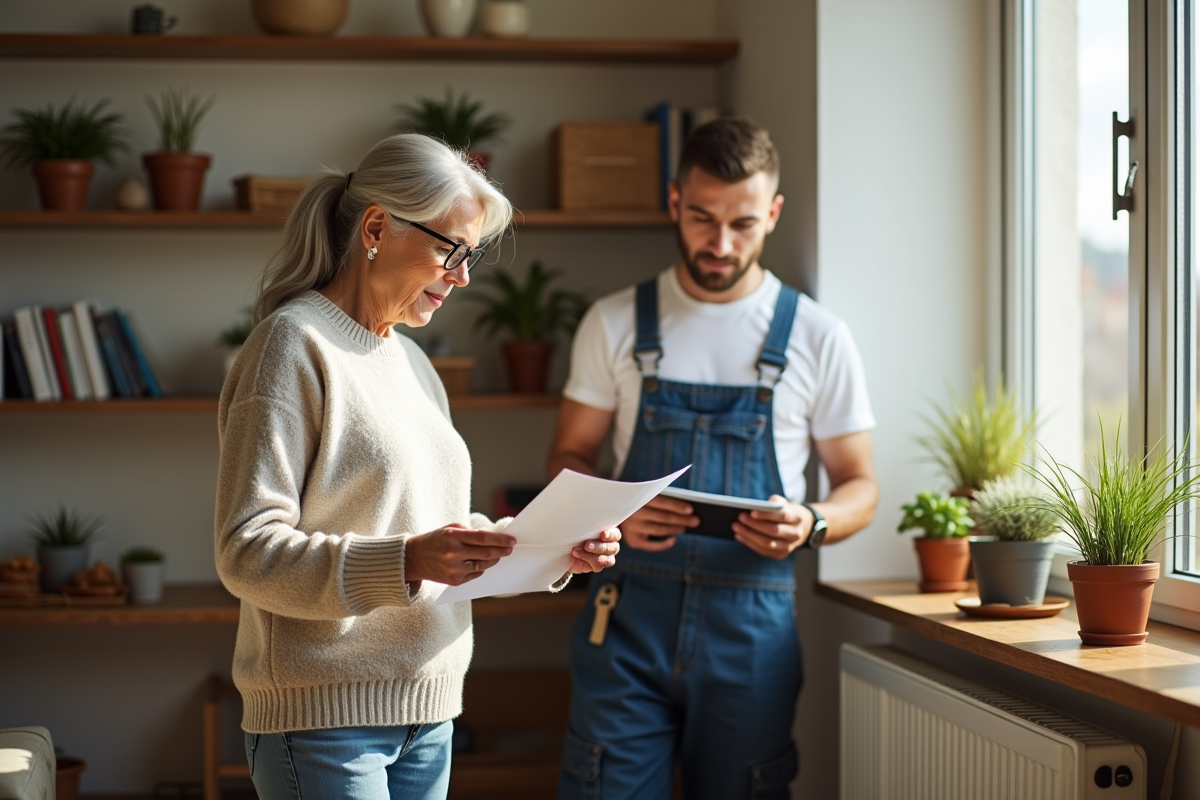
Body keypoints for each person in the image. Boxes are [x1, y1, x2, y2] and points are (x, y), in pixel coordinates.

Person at [213, 133, 621, 800]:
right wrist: (407, 560)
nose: (462, 276)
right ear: (377, 227)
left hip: (429, 712)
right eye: (449, 249)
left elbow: (438, 535)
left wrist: (551, 551)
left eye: (472, 257)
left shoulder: (413, 361)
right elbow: (247, 552)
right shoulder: (291, 346)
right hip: (325, 723)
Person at [548, 117, 878, 799]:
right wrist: (615, 512)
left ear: (774, 214)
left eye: (744, 224)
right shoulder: (613, 322)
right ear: (674, 202)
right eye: (701, 218)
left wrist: (812, 521)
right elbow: (568, 457)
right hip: (626, 620)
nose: (721, 244)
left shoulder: (819, 337)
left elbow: (861, 487)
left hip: (752, 639)